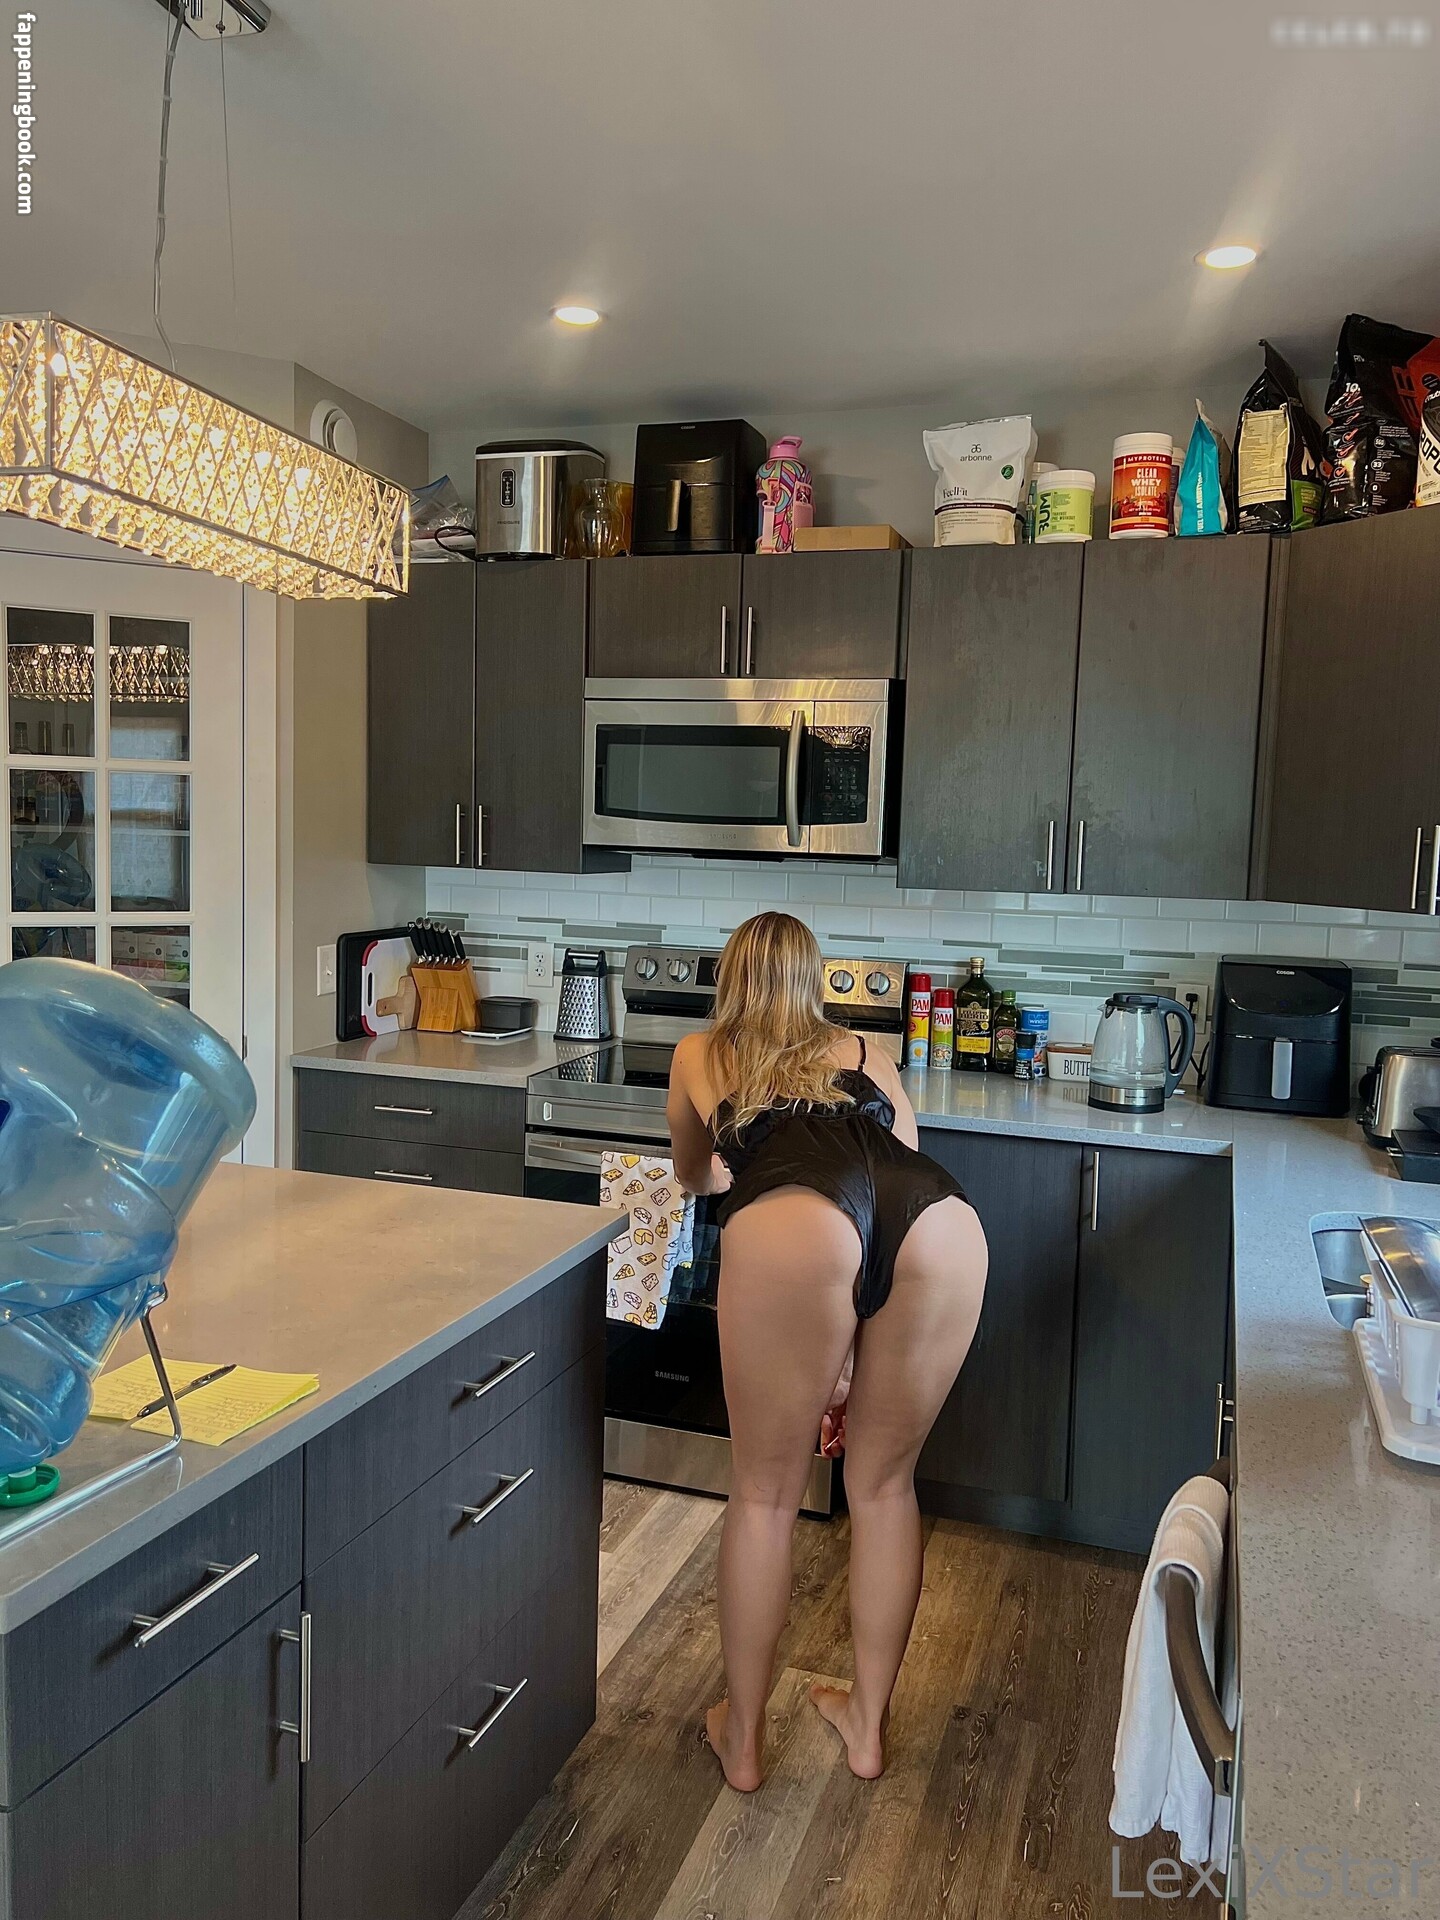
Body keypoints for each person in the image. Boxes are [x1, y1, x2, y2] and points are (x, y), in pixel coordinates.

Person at [666, 912, 988, 1790]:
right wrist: (849, 1345)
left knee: (765, 1496)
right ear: (814, 981)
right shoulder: (866, 1054)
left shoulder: (701, 1052)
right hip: (938, 1220)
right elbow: (894, 1169)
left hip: (797, 1216)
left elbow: (694, 1174)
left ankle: (743, 1742)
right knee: (884, 1488)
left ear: (730, 976)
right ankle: (866, 1729)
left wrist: (735, 1177)